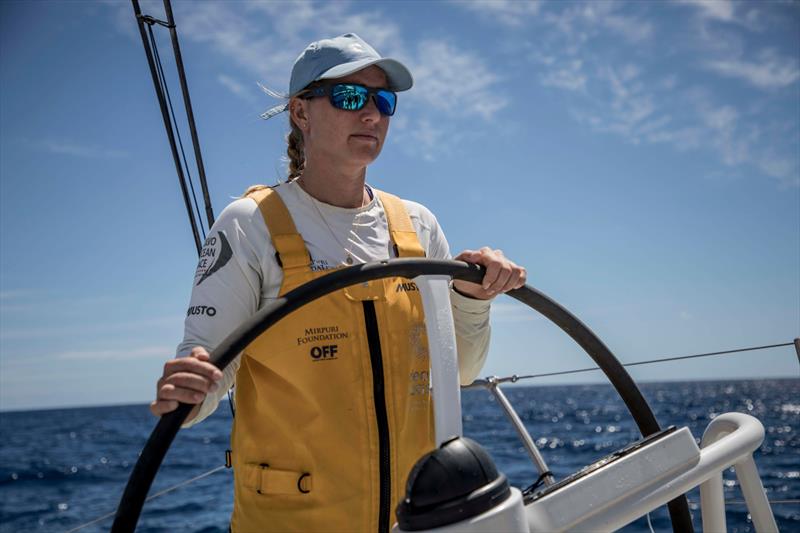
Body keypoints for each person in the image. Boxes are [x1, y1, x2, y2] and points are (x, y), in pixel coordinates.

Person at [150, 33, 526, 532]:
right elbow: (204, 379)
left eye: (383, 101)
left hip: (414, 521)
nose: (371, 114)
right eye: (350, 97)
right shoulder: (249, 224)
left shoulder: (418, 225)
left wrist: (473, 301)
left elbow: (461, 371)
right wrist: (188, 389)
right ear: (300, 113)